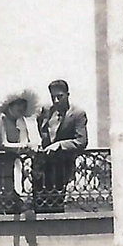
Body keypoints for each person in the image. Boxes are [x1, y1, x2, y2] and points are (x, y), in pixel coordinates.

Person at [35, 79, 90, 208]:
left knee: (56, 204)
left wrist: (59, 145)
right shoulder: (46, 112)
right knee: (38, 205)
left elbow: (81, 141)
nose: (56, 101)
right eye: (53, 97)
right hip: (42, 166)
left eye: (59, 97)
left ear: (67, 94)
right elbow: (42, 132)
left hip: (62, 167)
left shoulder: (77, 114)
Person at [0, 90, 37, 213]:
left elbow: (25, 140)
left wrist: (28, 152)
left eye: (23, 105)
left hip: (13, 169)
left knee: (14, 204)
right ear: (11, 105)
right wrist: (24, 147)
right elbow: (3, 144)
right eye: (18, 104)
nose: (21, 108)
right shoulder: (2, 119)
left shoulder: (20, 121)